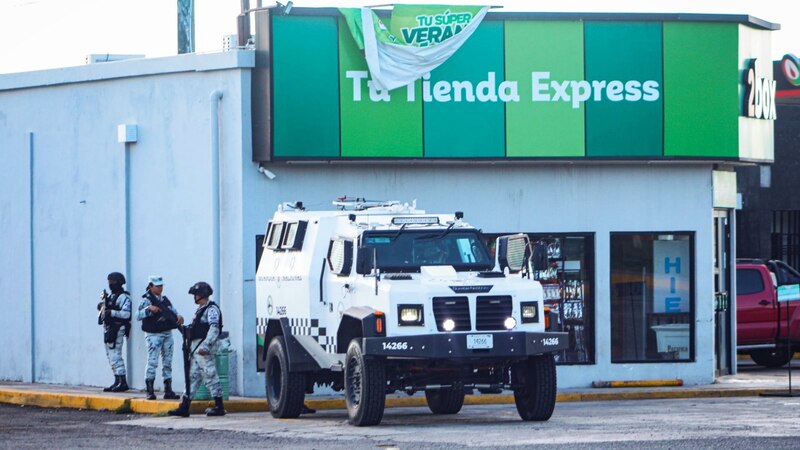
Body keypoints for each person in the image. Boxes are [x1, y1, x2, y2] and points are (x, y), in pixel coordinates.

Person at [168, 281, 226, 417]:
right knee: (192, 377)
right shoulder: (201, 309)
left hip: (203, 349)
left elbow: (214, 328)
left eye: (196, 294)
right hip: (195, 349)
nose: (195, 297)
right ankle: (184, 406)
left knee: (210, 375)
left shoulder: (211, 309)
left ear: (202, 294)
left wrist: (206, 346)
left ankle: (219, 406)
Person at [136, 275, 184, 400]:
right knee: (152, 361)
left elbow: (172, 311)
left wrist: (179, 316)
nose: (160, 288)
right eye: (157, 286)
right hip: (154, 335)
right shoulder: (146, 300)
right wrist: (148, 309)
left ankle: (168, 389)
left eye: (161, 286)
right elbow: (137, 315)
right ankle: (150, 390)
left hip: (167, 333)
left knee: (167, 362)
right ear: (151, 286)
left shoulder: (164, 300)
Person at [97, 272, 132, 392]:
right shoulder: (111, 296)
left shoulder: (124, 297)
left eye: (113, 282)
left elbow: (126, 314)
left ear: (119, 283)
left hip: (118, 328)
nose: (110, 284)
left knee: (116, 354)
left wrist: (111, 312)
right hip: (110, 328)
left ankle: (122, 382)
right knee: (110, 355)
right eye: (109, 282)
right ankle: (117, 380)